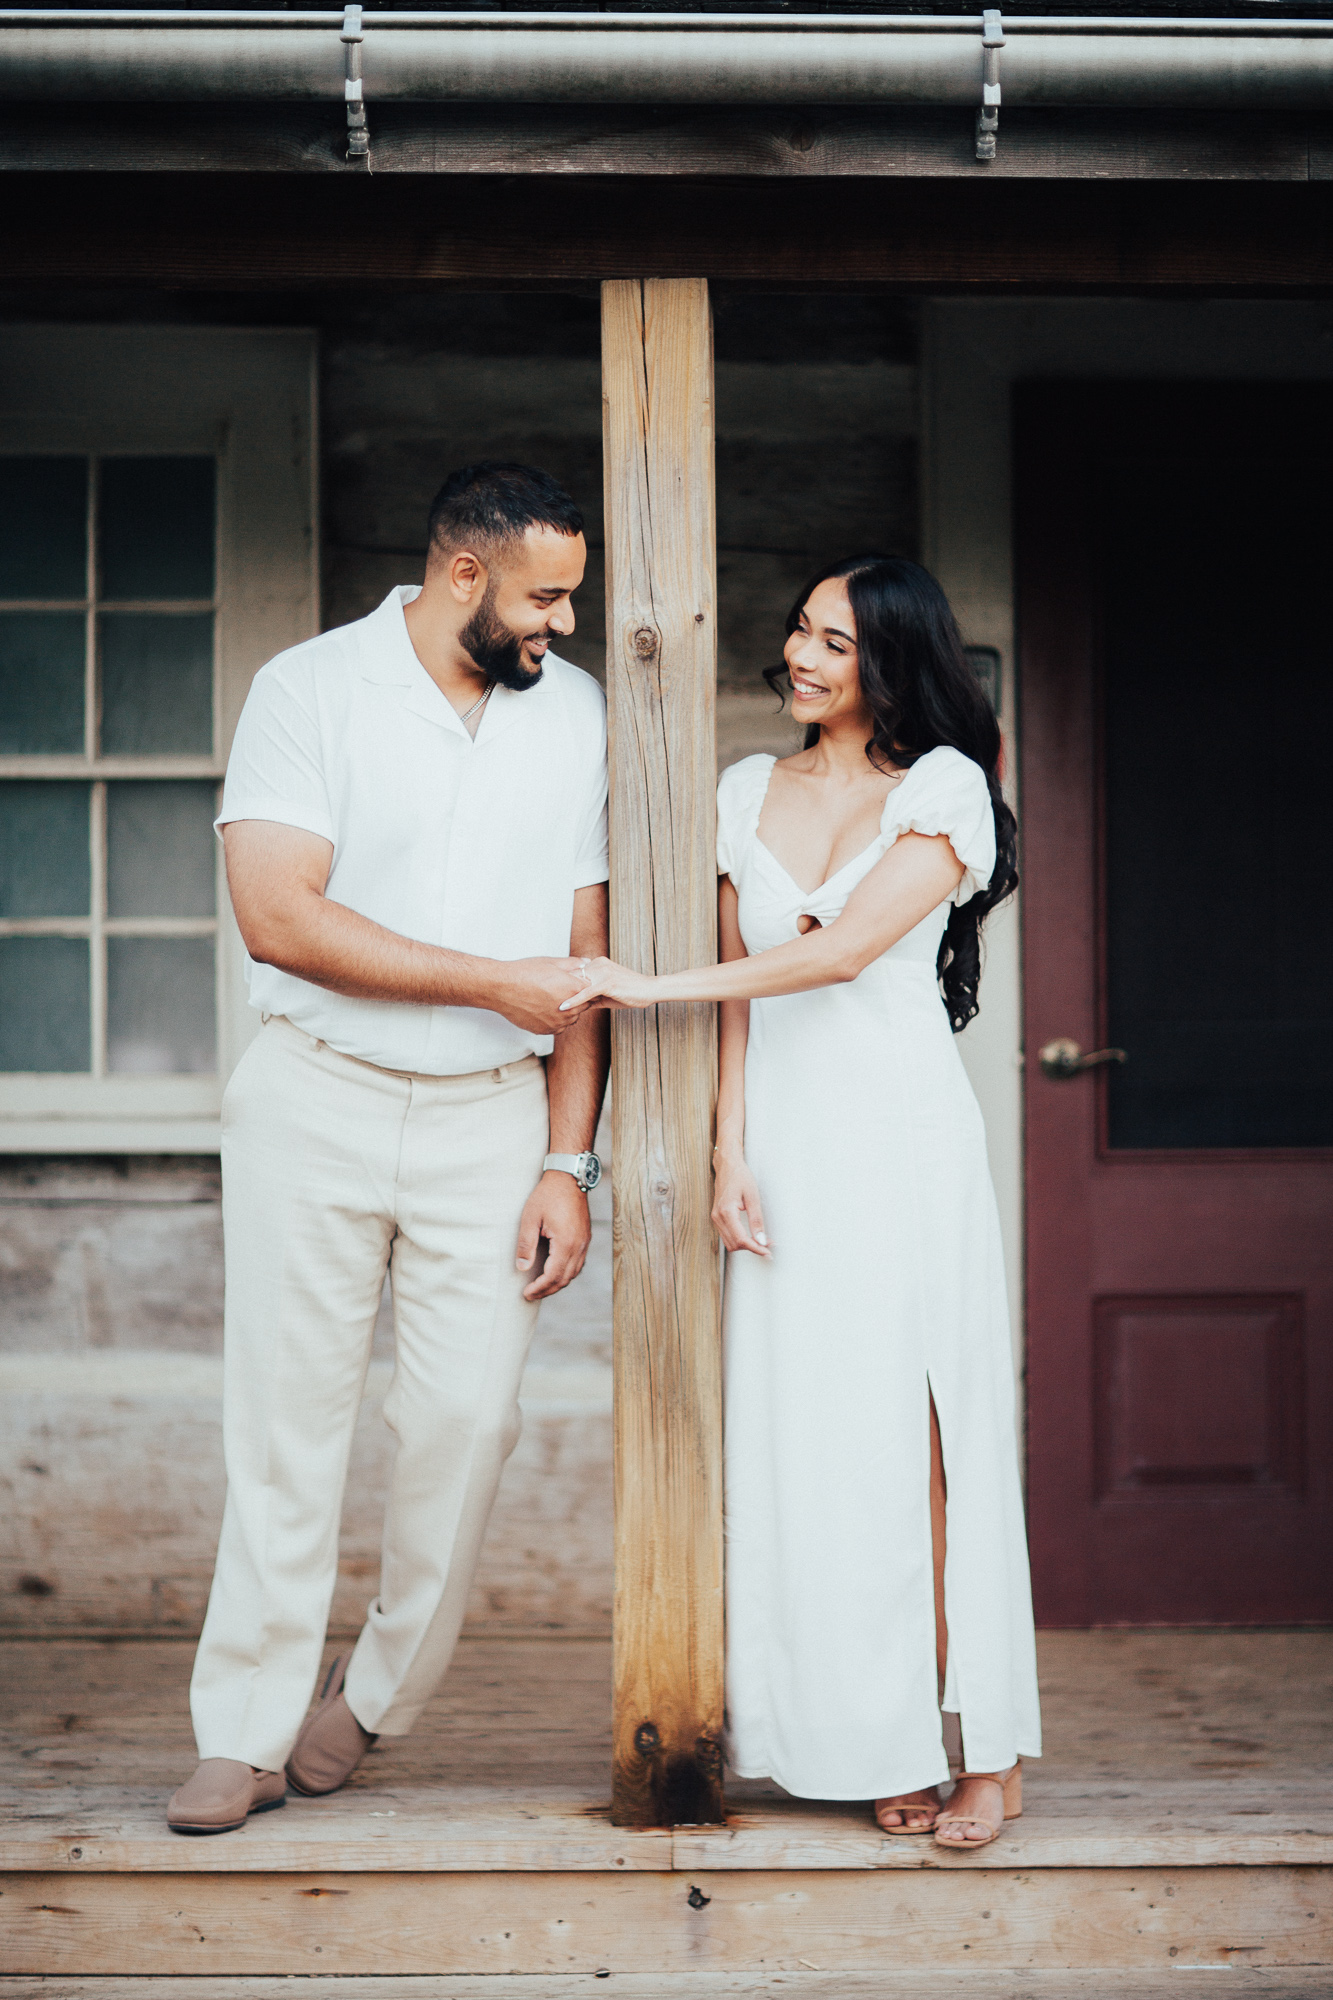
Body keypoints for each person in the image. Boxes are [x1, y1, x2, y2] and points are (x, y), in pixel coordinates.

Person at [568, 555, 1042, 1849]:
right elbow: (749, 994)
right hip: (785, 1141)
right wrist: (729, 1149)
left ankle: (985, 1756)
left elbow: (833, 955)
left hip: (900, 1141)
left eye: (833, 639)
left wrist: (640, 988)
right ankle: (861, 1740)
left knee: (928, 1449)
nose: (801, 654)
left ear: (890, 655)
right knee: (813, 1446)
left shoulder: (942, 789)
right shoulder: (742, 790)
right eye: (797, 631)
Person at [167, 462, 610, 1834]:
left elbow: (580, 960)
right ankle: (239, 1730)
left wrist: (566, 1161)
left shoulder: (575, 714)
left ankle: (368, 1699)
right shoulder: (307, 691)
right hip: (316, 1094)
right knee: (287, 1426)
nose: (564, 626)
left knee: (466, 1425)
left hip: (493, 1120)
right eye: (545, 597)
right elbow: (280, 918)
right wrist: (492, 980)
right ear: (462, 577)